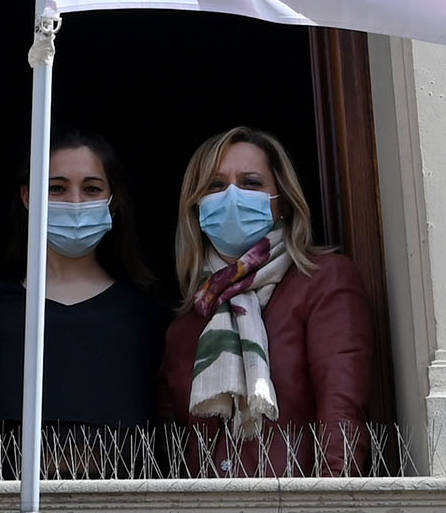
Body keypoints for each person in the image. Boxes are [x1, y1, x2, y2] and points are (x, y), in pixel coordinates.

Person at [159, 124, 376, 457]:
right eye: (216, 185)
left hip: (293, 506)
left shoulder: (323, 281)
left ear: (283, 201)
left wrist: (331, 506)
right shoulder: (189, 320)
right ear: (196, 207)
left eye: (251, 183)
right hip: (207, 508)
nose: (232, 195)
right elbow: (176, 444)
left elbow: (341, 415)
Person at [0, 132, 167, 435]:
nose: (75, 203)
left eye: (92, 188)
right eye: (57, 188)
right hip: (7, 483)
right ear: (28, 197)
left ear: (113, 200)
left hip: (121, 483)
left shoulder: (145, 315)